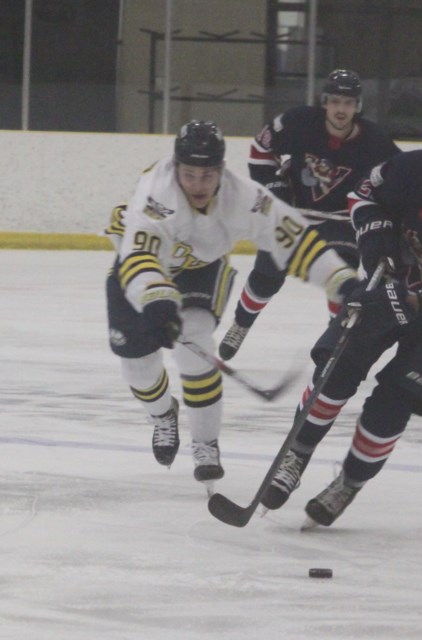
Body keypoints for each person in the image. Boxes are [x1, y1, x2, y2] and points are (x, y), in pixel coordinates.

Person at [260, 114, 422, 526]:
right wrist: (377, 244)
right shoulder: (409, 170)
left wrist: (407, 298)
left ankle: (350, 481)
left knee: (392, 405)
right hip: (392, 285)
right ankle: (297, 453)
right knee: (336, 369)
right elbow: (363, 194)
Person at [103, 120, 360, 490]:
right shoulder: (155, 194)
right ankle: (163, 415)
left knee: (195, 344)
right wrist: (157, 299)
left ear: (222, 170)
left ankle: (205, 442)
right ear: (176, 168)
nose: (198, 185)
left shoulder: (244, 197)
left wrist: (341, 280)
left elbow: (294, 238)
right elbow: (140, 257)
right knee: (138, 368)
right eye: (189, 174)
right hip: (140, 273)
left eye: (207, 175)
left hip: (201, 272)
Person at [218, 69, 401, 361]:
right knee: (268, 273)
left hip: (343, 225)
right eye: (336, 101)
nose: (342, 109)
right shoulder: (299, 122)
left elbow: (397, 179)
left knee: (340, 276)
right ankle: (241, 324)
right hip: (295, 219)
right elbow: (260, 148)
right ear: (325, 101)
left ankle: (335, 338)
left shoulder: (375, 141)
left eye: (349, 103)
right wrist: (275, 188)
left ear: (358, 106)